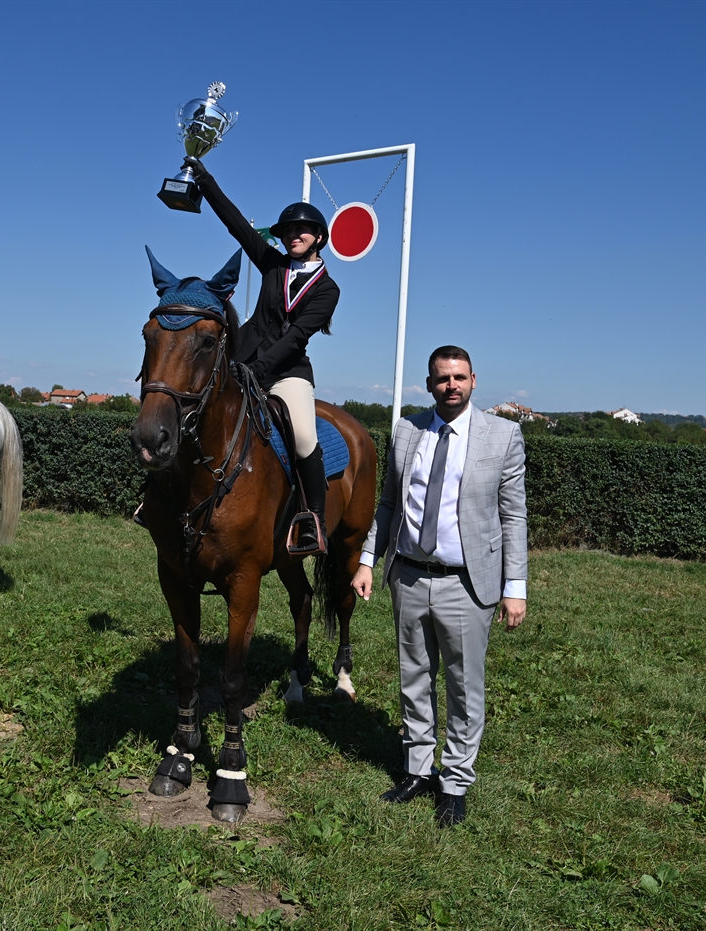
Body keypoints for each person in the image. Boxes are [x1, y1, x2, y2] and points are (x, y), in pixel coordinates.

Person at [351, 346, 528, 827]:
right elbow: (389, 503)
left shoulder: (503, 435)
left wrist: (515, 586)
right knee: (414, 678)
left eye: (459, 377)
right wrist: (368, 560)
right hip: (408, 575)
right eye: (442, 378)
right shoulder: (407, 430)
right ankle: (417, 770)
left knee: (464, 686)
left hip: (466, 583)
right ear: (429, 384)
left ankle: (454, 783)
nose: (451, 385)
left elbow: (513, 516)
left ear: (473, 381)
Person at [186, 155, 339, 554]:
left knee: (303, 437)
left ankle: (313, 521)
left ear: (318, 237)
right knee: (192, 407)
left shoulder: (328, 289)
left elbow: (296, 337)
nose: (292, 236)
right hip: (241, 361)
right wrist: (204, 179)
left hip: (287, 372)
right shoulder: (272, 264)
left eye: (301, 230)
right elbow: (237, 225)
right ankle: (161, 500)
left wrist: (256, 368)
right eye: (287, 231)